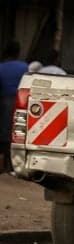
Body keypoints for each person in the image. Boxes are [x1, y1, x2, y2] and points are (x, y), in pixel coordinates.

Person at [0, 41, 29, 172]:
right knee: (18, 131)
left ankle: (4, 163)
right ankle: (14, 163)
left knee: (4, 133)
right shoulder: (25, 67)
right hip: (22, 103)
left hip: (4, 103)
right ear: (18, 53)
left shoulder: (1, 67)